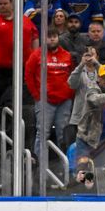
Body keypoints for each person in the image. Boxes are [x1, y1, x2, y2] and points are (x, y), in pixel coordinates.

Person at [0, 0, 39, 107]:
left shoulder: (25, 20)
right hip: (0, 68)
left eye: (5, 4)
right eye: (0, 4)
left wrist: (34, 55)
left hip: (22, 67)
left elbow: (35, 37)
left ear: (11, 4)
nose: (2, 6)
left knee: (18, 97)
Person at [25, 27, 75, 156]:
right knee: (42, 133)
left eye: (54, 36)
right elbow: (28, 76)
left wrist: (70, 94)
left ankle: (65, 165)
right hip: (45, 101)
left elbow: (73, 76)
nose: (52, 39)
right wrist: (37, 96)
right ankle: (39, 165)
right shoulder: (36, 55)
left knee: (63, 133)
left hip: (64, 100)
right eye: (49, 36)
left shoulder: (67, 55)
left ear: (58, 38)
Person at [74, 64, 105, 174]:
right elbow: (94, 99)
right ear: (98, 78)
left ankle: (95, 189)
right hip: (86, 138)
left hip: (102, 139)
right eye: (103, 77)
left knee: (98, 173)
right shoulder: (92, 90)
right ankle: (82, 188)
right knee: (83, 171)